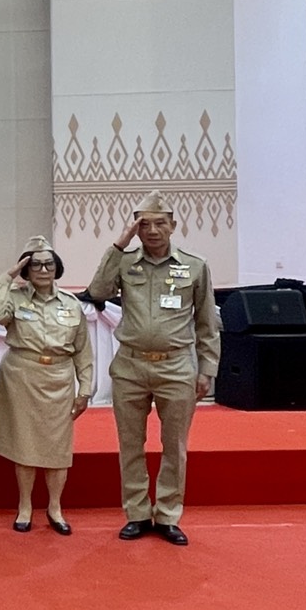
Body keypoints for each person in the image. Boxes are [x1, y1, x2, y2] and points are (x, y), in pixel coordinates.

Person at [86, 190, 219, 547]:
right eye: (144, 225)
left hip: (176, 366)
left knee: (174, 445)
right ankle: (137, 513)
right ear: (136, 228)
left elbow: (207, 323)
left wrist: (207, 368)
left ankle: (169, 515)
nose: (153, 231)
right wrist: (119, 245)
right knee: (130, 444)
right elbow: (97, 291)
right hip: (130, 365)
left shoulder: (194, 266)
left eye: (161, 223)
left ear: (173, 225)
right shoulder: (125, 261)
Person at [0, 235, 93, 536]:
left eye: (48, 264)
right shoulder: (15, 298)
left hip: (58, 379)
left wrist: (85, 389)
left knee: (58, 447)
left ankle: (55, 507)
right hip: (22, 377)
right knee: (26, 445)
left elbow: (83, 351)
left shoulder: (71, 303)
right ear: (26, 269)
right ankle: (25, 506)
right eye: (35, 265)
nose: (43, 270)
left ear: (57, 267)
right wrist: (7, 277)